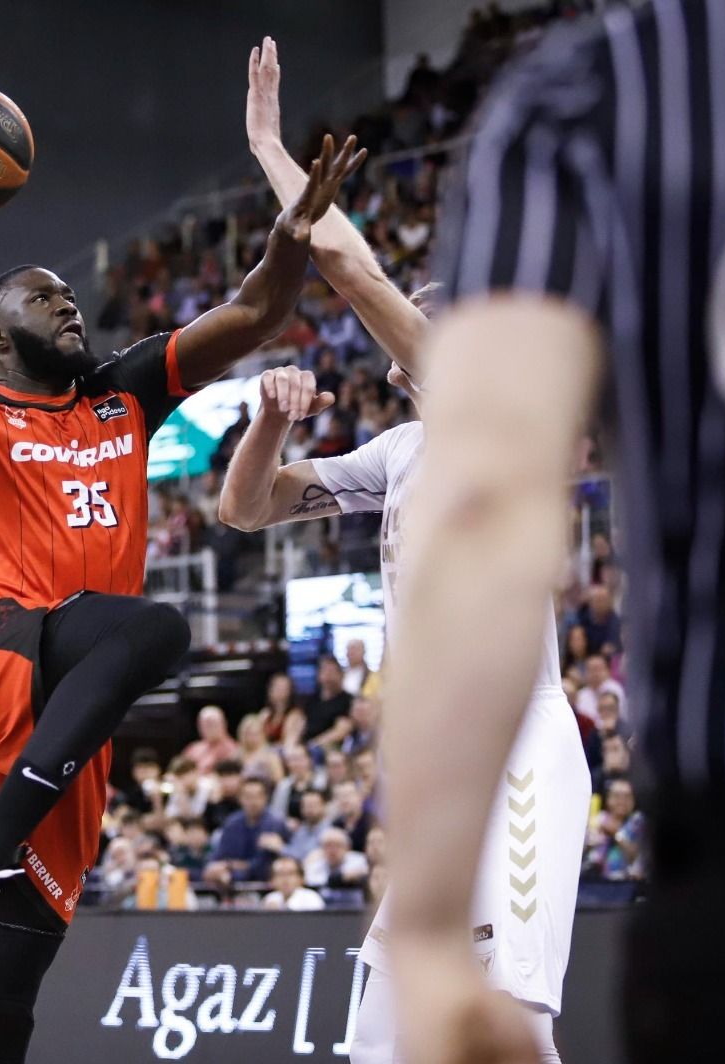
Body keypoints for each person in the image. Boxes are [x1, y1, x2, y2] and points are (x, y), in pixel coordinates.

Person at [0, 85, 358, 1064]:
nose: (68, 303)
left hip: (62, 706)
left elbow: (258, 308)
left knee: (4, 996)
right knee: (160, 630)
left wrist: (293, 234)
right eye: (43, 297)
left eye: (70, 292)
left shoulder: (122, 392)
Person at [236, 36, 592, 1064]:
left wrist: (268, 146)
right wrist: (264, 425)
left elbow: (348, 264)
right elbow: (246, 511)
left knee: (512, 1014)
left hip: (520, 743)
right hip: (440, 755)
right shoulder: (400, 451)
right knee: (385, 1023)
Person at [207, 777, 289, 884]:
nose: (253, 802)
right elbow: (219, 856)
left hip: (265, 883)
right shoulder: (232, 823)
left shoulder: (275, 823)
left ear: (265, 798)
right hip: (231, 880)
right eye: (248, 797)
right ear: (240, 799)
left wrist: (230, 866)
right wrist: (215, 868)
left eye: (257, 796)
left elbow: (262, 866)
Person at [179, 704, 238, 773]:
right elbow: (180, 770)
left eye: (212, 724)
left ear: (223, 724)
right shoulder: (193, 748)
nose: (209, 728)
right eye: (204, 724)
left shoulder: (233, 749)